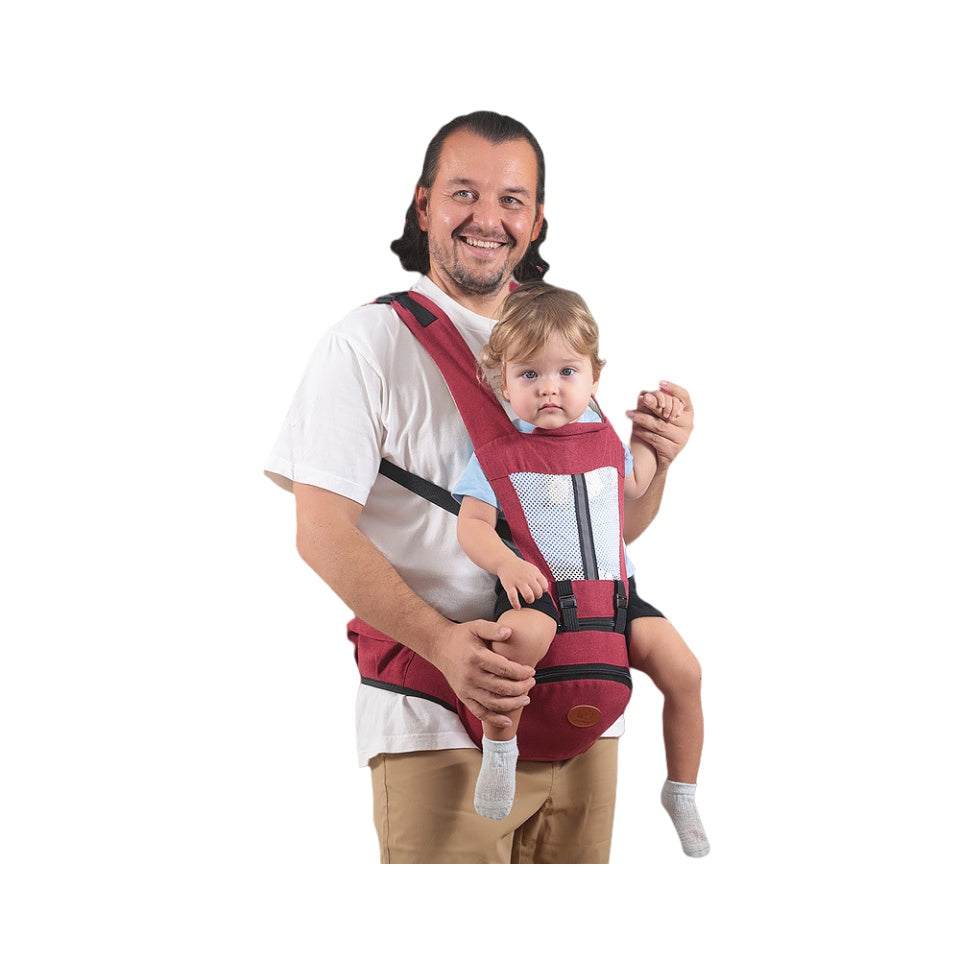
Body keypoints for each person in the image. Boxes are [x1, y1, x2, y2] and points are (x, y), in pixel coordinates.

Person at [264, 110, 695, 863]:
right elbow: (319, 531)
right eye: (464, 193)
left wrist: (658, 462)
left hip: (588, 704)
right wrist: (445, 645)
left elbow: (600, 530)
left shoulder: (558, 352)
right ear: (425, 204)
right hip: (441, 719)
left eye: (512, 199)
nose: (487, 218)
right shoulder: (368, 345)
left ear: (535, 221)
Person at [453, 282, 708, 857]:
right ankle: (500, 754)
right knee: (522, 639)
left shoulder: (603, 440)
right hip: (539, 589)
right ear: (501, 382)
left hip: (614, 595)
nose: (549, 388)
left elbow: (635, 487)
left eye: (567, 372)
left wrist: (655, 436)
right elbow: (470, 524)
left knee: (685, 671)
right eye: (529, 375)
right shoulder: (495, 454)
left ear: (595, 377)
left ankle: (682, 790)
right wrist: (505, 562)